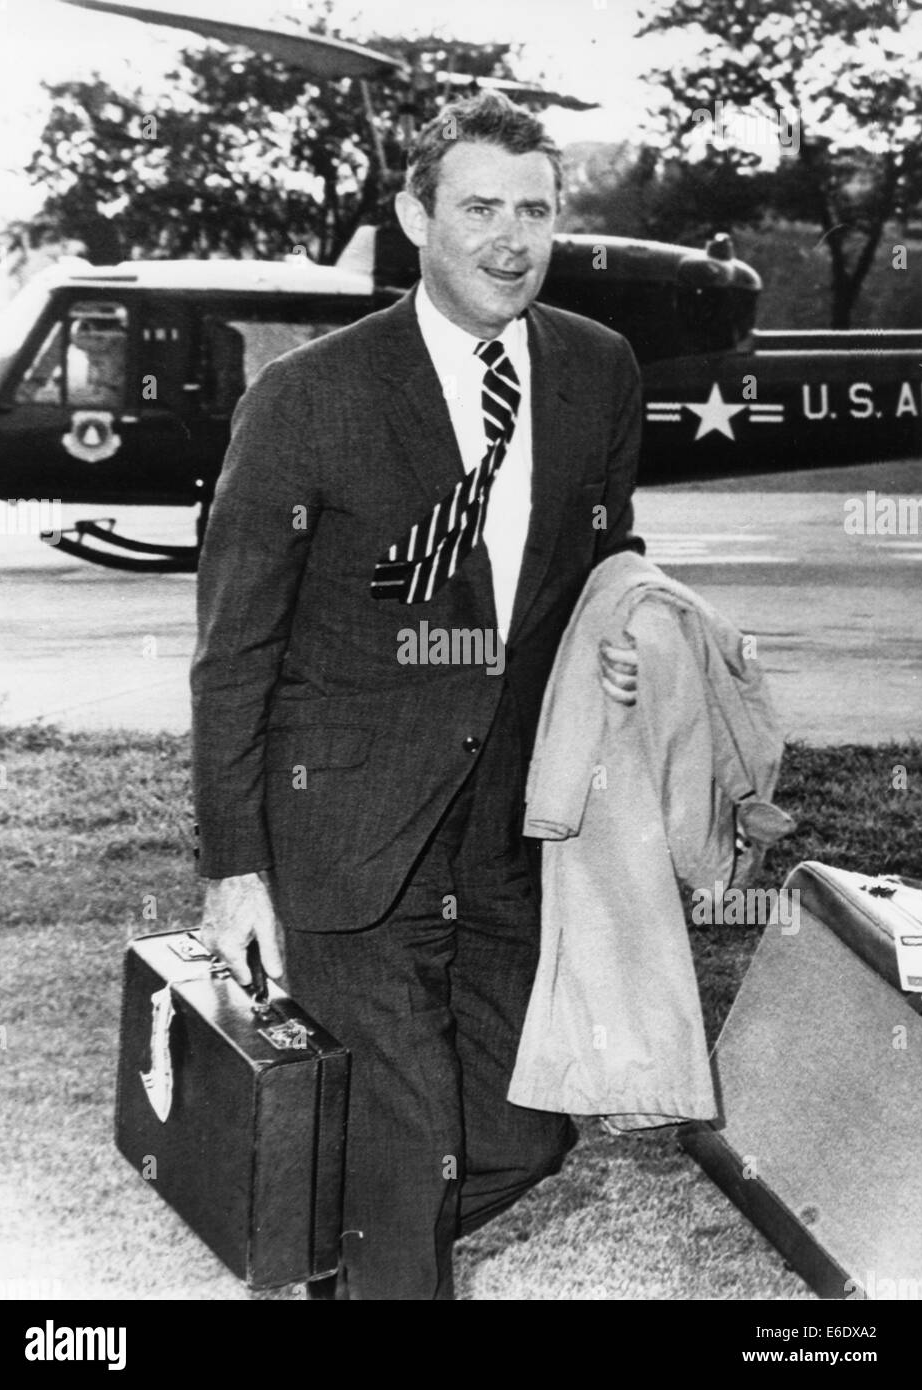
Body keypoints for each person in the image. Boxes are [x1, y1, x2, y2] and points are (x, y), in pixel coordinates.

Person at [191, 91, 642, 1301]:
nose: (511, 238)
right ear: (414, 216)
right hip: (343, 832)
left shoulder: (597, 371)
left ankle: (331, 1251)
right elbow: (234, 649)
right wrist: (236, 864)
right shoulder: (309, 394)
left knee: (526, 1127)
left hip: (509, 836)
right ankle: (375, 1257)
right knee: (401, 1154)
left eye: (535, 210)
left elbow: (603, 564)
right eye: (479, 207)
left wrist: (628, 643)